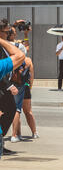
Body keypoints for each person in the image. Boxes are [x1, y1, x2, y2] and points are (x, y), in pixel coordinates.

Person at [0, 19, 25, 156]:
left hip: (5, 84)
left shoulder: (6, 44)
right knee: (10, 109)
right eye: (7, 32)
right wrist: (9, 85)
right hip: (2, 85)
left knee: (10, 109)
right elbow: (19, 56)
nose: (9, 34)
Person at [10, 56, 37, 142]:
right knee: (28, 111)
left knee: (16, 110)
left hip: (14, 86)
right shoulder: (28, 60)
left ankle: (18, 134)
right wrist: (30, 86)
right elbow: (31, 76)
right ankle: (34, 132)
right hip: (25, 86)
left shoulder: (12, 59)